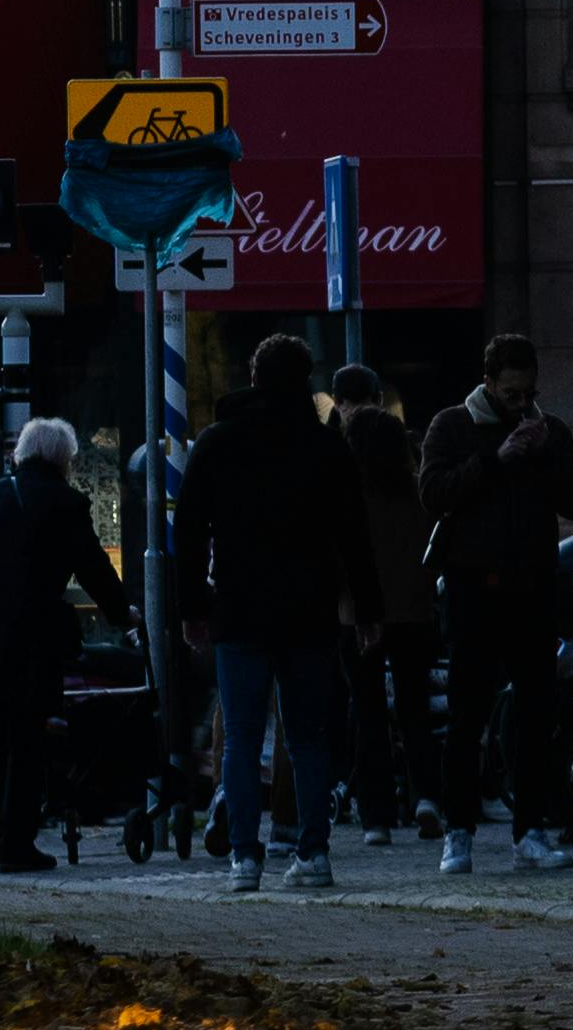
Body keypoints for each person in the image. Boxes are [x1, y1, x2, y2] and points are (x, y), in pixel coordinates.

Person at [415, 327, 573, 879]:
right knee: (466, 715)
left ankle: (530, 832)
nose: (521, 404)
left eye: (529, 393)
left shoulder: (550, 431)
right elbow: (433, 494)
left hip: (532, 588)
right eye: (511, 393)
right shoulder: (451, 426)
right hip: (472, 587)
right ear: (489, 383)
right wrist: (495, 459)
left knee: (536, 714)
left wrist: (544, 455)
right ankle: (459, 832)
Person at [177, 327, 351, 891]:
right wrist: (365, 609)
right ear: (305, 382)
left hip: (241, 609)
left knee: (242, 737)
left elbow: (190, 531)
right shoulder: (326, 446)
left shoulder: (219, 442)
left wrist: (192, 607)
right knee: (308, 738)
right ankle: (313, 852)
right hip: (310, 612)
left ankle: (244, 858)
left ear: (253, 378)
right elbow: (353, 535)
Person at [0, 413, 124, 878]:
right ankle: (16, 843)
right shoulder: (65, 502)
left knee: (0, 735)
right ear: (60, 459)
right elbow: (93, 566)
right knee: (29, 738)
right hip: (29, 637)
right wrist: (121, 612)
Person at [326, 365, 437, 825]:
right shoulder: (415, 492)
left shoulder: (346, 494)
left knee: (367, 710)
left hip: (356, 614)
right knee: (415, 707)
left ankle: (376, 814)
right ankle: (426, 795)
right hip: (413, 611)